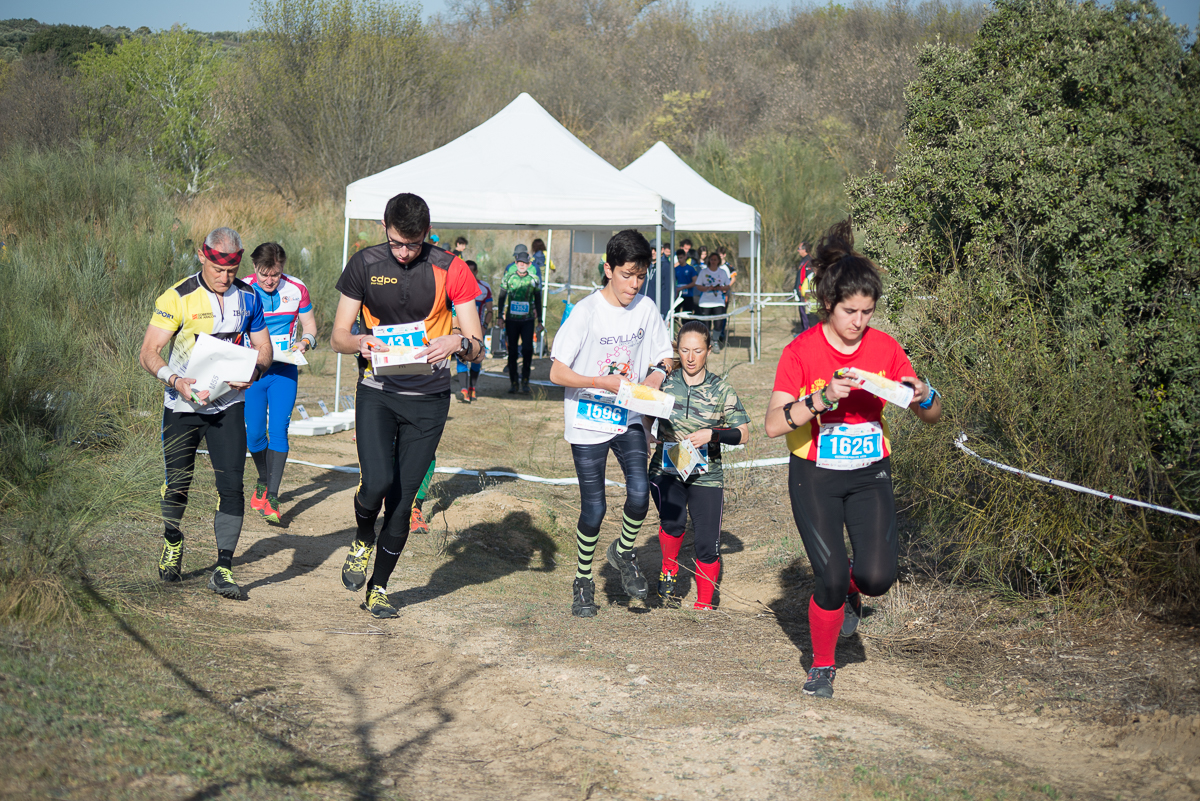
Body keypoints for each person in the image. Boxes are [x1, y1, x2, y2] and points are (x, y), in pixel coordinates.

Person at [765, 219, 942, 699]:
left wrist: (926, 395)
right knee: (829, 574)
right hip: (815, 475)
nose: (859, 321)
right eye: (849, 311)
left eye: (866, 311)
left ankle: (853, 594)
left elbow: (931, 414)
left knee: (876, 577)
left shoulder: (885, 347)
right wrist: (822, 398)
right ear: (828, 305)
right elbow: (773, 424)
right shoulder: (800, 352)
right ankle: (822, 665)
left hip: (869, 473)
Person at [331, 192, 483, 619]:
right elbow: (338, 335)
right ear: (385, 229)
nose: (403, 252)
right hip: (378, 391)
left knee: (402, 500)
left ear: (427, 236)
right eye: (397, 242)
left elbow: (476, 346)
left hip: (430, 399)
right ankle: (362, 538)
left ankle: (378, 588)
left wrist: (459, 341)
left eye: (413, 245)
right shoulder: (365, 263)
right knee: (377, 483)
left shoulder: (450, 268)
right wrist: (360, 341)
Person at [138, 227, 273, 599]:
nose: (224, 277)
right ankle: (173, 539)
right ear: (203, 256)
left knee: (231, 486)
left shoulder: (248, 297)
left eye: (231, 271)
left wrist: (255, 371)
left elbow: (264, 347)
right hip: (182, 405)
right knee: (177, 485)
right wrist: (175, 380)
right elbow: (149, 352)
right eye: (217, 268)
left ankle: (223, 569)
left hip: (228, 406)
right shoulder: (178, 296)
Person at [549, 229, 674, 618]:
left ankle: (622, 554)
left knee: (640, 494)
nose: (634, 285)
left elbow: (664, 357)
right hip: (587, 421)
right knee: (595, 508)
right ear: (608, 269)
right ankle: (583, 580)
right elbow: (556, 372)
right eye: (627, 275)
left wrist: (655, 375)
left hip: (628, 417)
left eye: (641, 276)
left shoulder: (647, 309)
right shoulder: (585, 312)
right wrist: (597, 382)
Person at [648, 321, 750, 609]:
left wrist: (712, 434)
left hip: (707, 474)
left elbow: (744, 433)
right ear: (676, 350)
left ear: (708, 350)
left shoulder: (721, 389)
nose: (691, 357)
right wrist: (645, 430)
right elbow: (643, 409)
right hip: (666, 467)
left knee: (706, 543)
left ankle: (704, 606)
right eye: (684, 350)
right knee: (674, 521)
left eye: (698, 350)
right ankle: (669, 570)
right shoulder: (666, 383)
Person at [243, 243, 317, 523]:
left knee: (280, 430)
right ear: (254, 269)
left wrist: (305, 343)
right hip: (253, 372)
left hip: (285, 369)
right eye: (264, 275)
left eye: (275, 274)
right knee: (254, 435)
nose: (270, 281)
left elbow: (310, 327)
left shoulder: (296, 288)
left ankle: (272, 497)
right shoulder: (243, 288)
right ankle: (263, 479)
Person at [498, 250, 541, 394]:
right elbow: (501, 297)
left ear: (529, 265)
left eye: (525, 263)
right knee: (513, 351)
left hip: (528, 320)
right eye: (519, 262)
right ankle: (514, 382)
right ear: (516, 263)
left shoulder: (534, 279)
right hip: (511, 320)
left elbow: (538, 299)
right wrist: (499, 316)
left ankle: (525, 381)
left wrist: (540, 319)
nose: (522, 265)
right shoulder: (508, 278)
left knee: (528, 350)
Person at [457, 260, 492, 403]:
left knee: (477, 358)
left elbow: (490, 310)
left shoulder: (484, 287)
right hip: (460, 330)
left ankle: (472, 387)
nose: (469, 273)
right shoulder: (457, 285)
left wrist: (484, 326)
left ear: (476, 272)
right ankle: (464, 390)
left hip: (477, 330)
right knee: (461, 357)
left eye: (472, 271)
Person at [695, 253, 731, 352]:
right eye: (711, 259)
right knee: (706, 324)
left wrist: (720, 288)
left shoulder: (722, 272)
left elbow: (727, 286)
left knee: (719, 323)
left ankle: (715, 341)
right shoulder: (703, 272)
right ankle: (708, 342)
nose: (713, 261)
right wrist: (708, 288)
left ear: (718, 261)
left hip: (718, 301)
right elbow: (698, 286)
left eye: (715, 259)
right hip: (705, 302)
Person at [795, 241, 813, 332]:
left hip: (805, 294)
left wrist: (807, 293)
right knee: (802, 316)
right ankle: (803, 333)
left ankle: (807, 333)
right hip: (800, 293)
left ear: (804, 250)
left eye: (799, 249)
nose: (798, 251)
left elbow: (809, 279)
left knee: (806, 317)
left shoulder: (809, 261)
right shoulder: (803, 260)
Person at [674, 249, 698, 314]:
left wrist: (683, 287)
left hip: (688, 296)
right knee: (676, 313)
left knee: (687, 315)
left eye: (681, 257)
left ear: (685, 257)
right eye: (678, 258)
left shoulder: (691, 269)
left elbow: (695, 282)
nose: (680, 259)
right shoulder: (676, 269)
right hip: (678, 296)